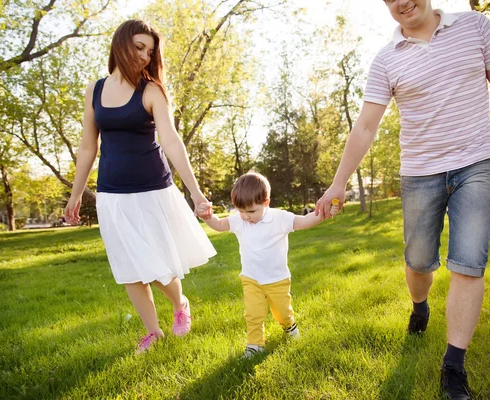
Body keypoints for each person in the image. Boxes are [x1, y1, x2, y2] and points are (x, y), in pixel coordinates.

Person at [315, 1, 490, 398]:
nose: (401, 2)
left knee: (469, 261)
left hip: (475, 164)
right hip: (420, 174)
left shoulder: (475, 27)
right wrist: (339, 182)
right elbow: (366, 125)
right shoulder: (386, 60)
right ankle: (420, 305)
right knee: (419, 262)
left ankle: (453, 366)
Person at [64, 19, 216, 353]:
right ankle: (153, 332)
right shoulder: (96, 90)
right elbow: (88, 146)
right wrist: (76, 196)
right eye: (139, 47)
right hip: (111, 194)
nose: (146, 56)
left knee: (159, 265)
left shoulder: (151, 91)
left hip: (152, 190)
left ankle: (180, 304)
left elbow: (172, 142)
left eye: (150, 51)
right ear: (120, 44)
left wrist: (195, 191)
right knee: (129, 269)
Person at [197, 172, 337, 358]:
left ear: (266, 202)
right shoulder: (239, 220)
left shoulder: (280, 218)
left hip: (277, 279)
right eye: (242, 211)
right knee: (253, 314)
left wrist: (324, 214)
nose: (246, 217)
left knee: (282, 312)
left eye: (251, 211)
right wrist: (207, 217)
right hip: (251, 278)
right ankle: (255, 345)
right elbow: (220, 224)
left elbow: (304, 221)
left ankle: (289, 325)